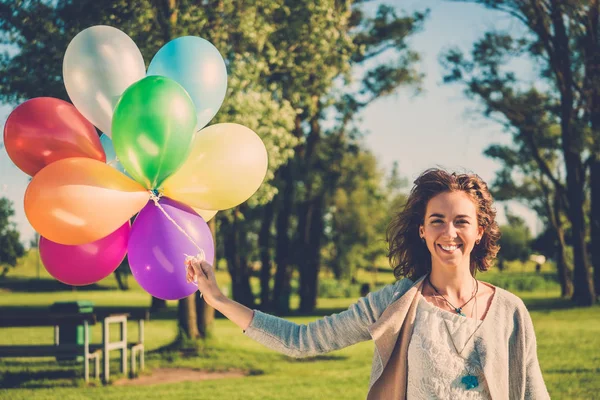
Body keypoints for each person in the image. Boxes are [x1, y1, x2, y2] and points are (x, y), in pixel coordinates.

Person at [186, 168, 550, 400]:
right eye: (437, 220)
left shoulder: (510, 311)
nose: (449, 232)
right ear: (422, 232)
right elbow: (302, 341)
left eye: (461, 221)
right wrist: (218, 300)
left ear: (479, 231)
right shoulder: (394, 303)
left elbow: (533, 392)